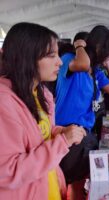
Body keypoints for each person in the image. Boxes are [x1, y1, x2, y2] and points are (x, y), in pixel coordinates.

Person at [0, 22, 85, 199]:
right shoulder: (4, 103)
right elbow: (8, 172)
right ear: (27, 58)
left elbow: (36, 134)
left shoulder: (41, 93)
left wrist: (59, 132)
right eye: (51, 55)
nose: (60, 62)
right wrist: (62, 142)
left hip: (49, 188)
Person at [55, 25, 109, 199]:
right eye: (108, 50)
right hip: (66, 133)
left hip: (85, 135)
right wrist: (78, 45)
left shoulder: (96, 71)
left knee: (79, 185)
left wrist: (108, 66)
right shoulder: (71, 59)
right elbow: (83, 63)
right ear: (99, 47)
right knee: (63, 185)